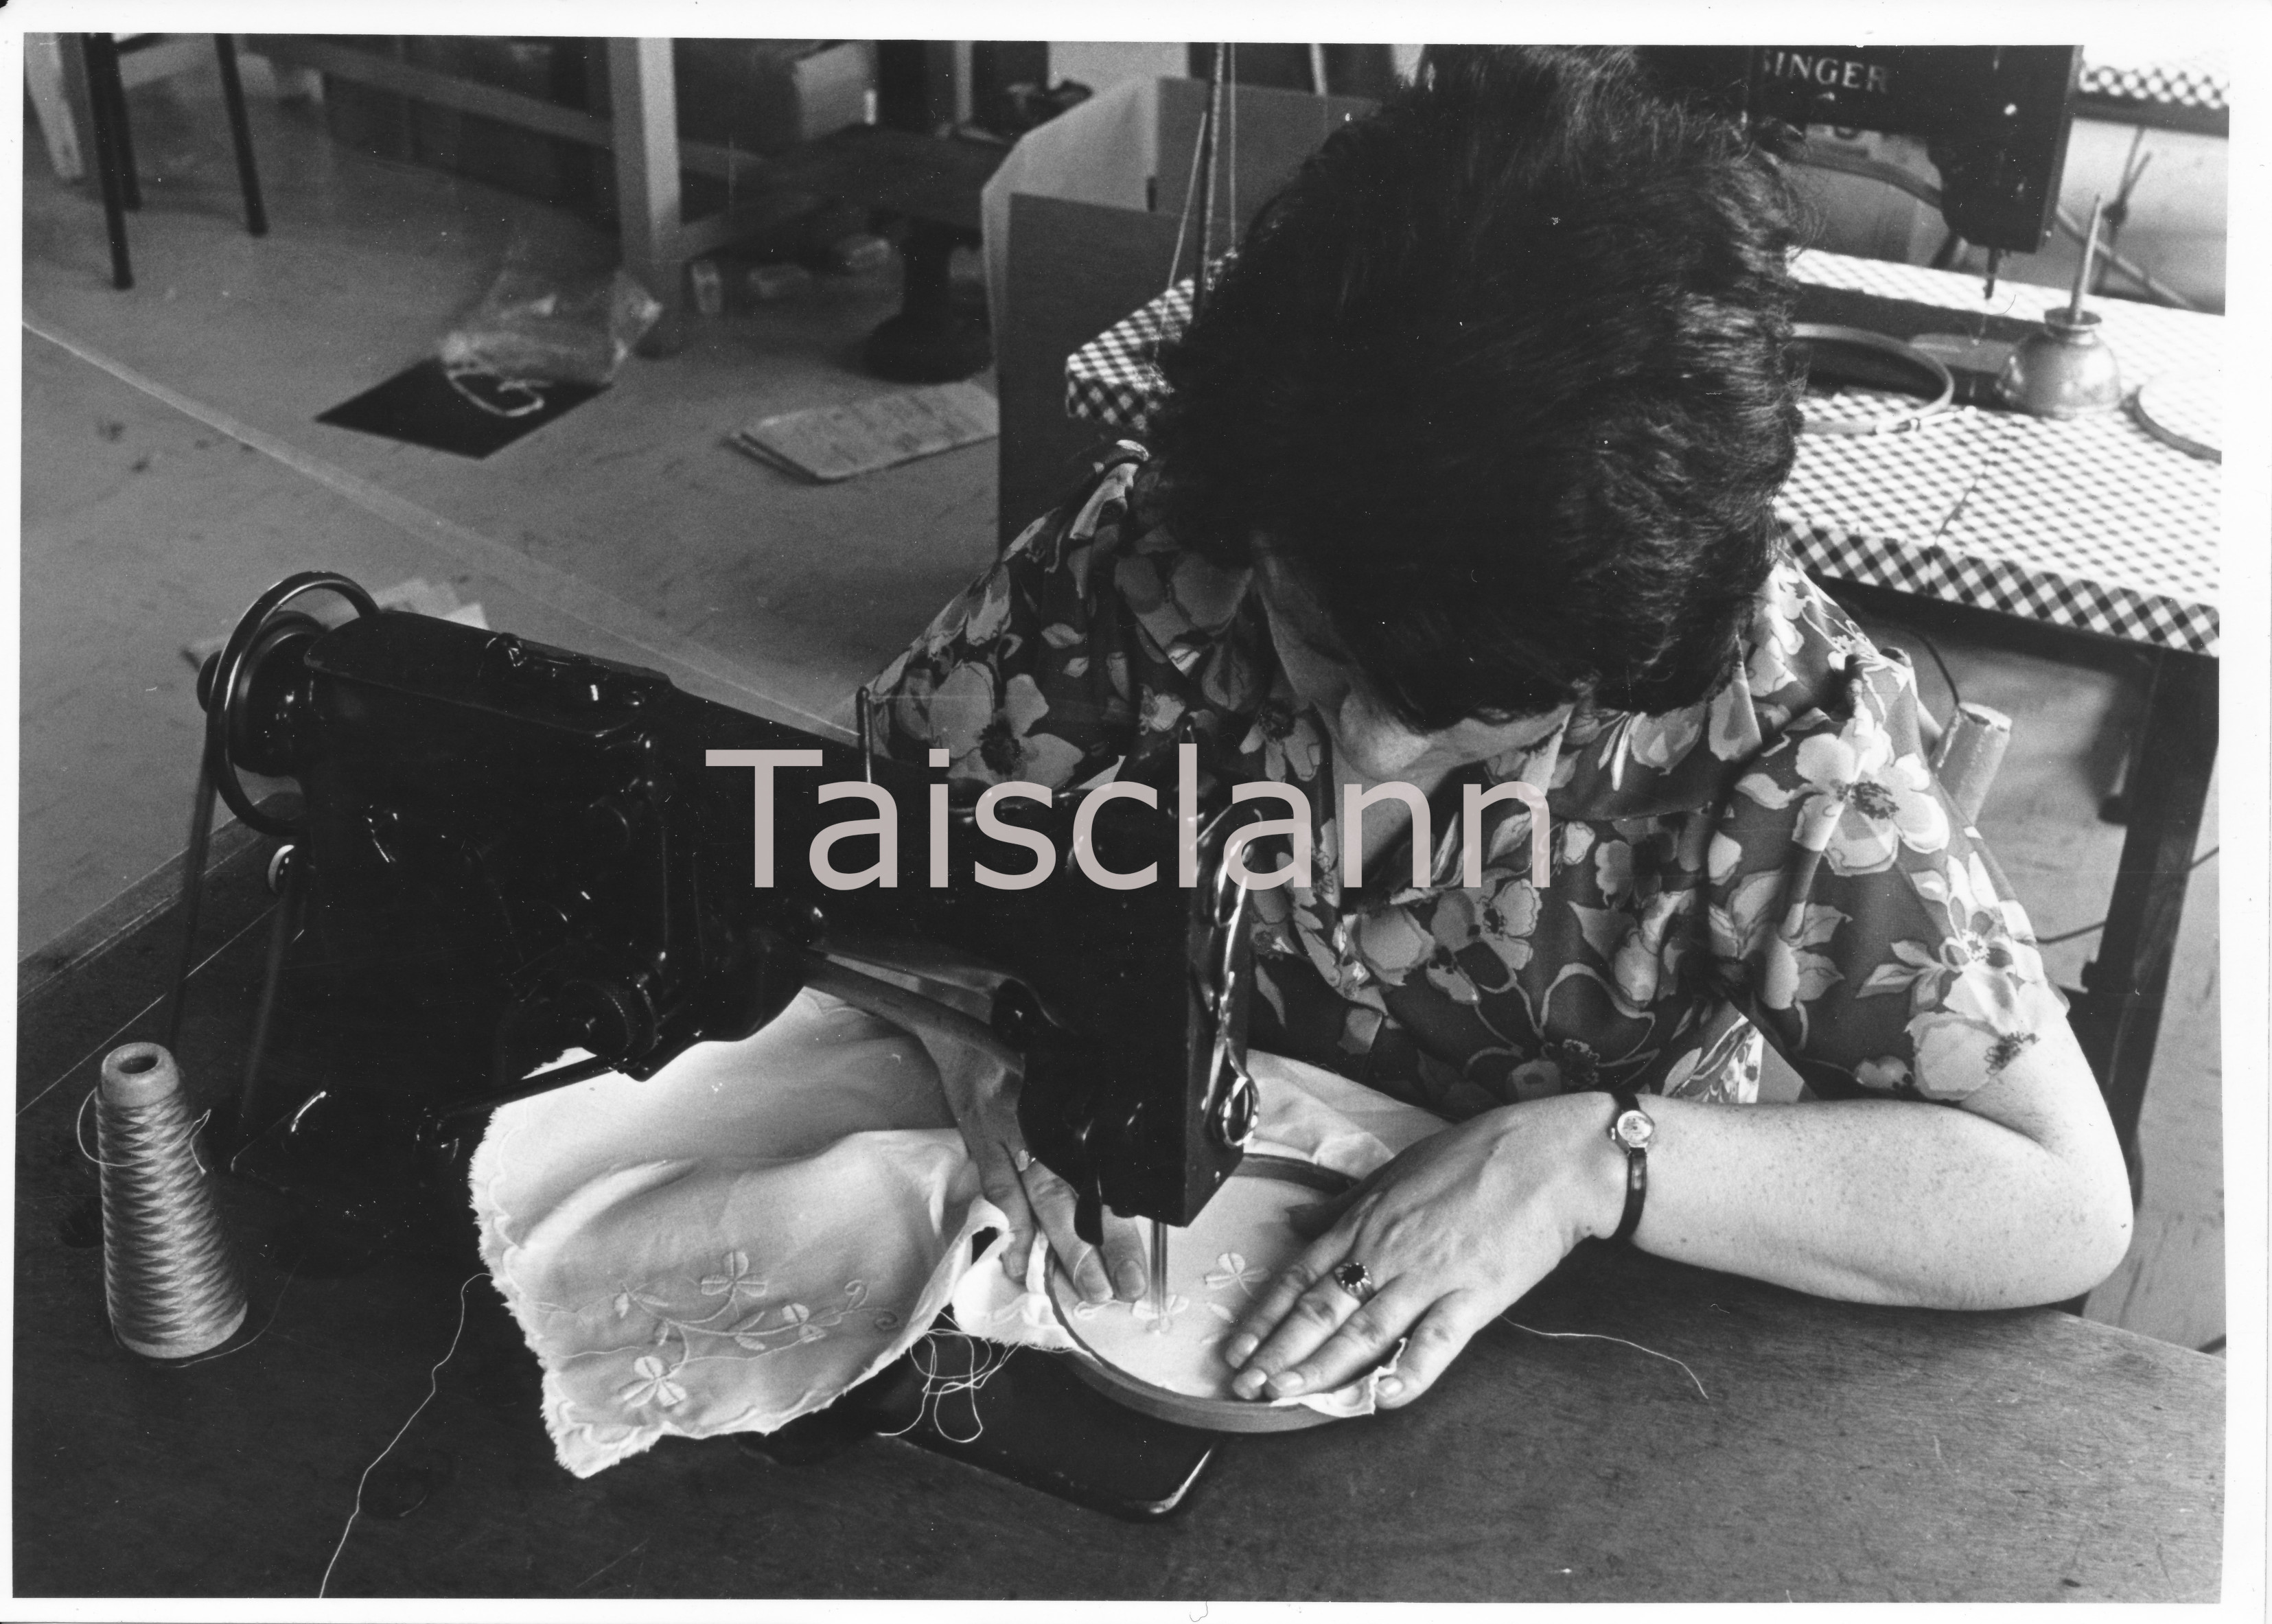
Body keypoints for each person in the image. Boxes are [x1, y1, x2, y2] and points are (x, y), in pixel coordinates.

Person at [860, 46, 2131, 1412]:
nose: (1356, 756)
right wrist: (992, 1036)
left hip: (1561, 1359)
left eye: (1469, 718)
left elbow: (2059, 1203)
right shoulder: (1146, 562)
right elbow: (852, 853)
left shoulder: (1771, 725)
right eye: (1320, 641)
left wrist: (1598, 1162)